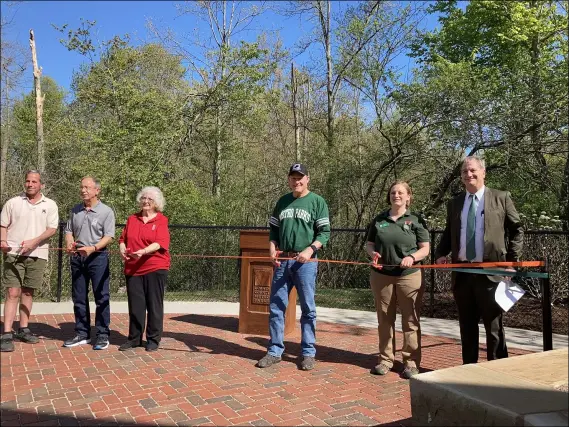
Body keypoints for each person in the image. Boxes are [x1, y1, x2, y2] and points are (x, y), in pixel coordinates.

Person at [435, 156, 523, 364]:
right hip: (463, 275)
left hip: (491, 274)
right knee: (467, 327)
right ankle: (469, 370)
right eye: (465, 172)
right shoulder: (454, 203)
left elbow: (517, 229)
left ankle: (497, 372)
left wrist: (512, 261)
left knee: (493, 328)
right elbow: (449, 233)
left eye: (473, 170)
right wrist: (440, 253)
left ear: (483, 172)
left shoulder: (501, 198)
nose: (469, 175)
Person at [257, 163, 330, 371]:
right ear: (289, 179)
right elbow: (273, 230)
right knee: (276, 307)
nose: (296, 181)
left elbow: (324, 233)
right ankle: (274, 350)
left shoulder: (317, 202)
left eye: (300, 177)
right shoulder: (282, 202)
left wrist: (310, 250)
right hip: (283, 261)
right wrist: (272, 247)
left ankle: (307, 352)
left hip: (305, 262)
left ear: (307, 178)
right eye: (293, 177)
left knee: (308, 308)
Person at [365, 181, 430, 379]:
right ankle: (385, 360)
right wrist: (372, 254)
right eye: (393, 192)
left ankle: (411, 362)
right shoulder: (379, 220)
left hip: (409, 277)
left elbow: (425, 248)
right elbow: (369, 244)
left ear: (409, 197)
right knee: (384, 319)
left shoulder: (416, 220)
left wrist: (412, 258)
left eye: (401, 192)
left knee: (410, 320)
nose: (396, 195)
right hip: (381, 276)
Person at [0, 170, 59, 352]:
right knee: (12, 292)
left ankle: (23, 328)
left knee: (27, 292)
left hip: (37, 253)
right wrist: (3, 241)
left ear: (41, 184)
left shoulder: (50, 205)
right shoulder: (13, 202)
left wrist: (34, 242)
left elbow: (52, 229)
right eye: (28, 181)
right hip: (13, 253)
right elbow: (3, 225)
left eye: (34, 181)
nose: (30, 184)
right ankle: (7, 333)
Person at [63, 176, 116, 350]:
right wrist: (69, 243)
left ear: (97, 190)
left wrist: (93, 248)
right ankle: (82, 333)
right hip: (78, 258)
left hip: (97, 258)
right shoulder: (76, 209)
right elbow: (69, 230)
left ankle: (102, 335)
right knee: (78, 297)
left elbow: (109, 236)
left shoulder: (106, 211)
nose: (83, 190)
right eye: (82, 187)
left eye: (87, 187)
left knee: (101, 297)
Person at [118, 187, 170, 352]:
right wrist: (122, 249)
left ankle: (153, 339)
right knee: (136, 305)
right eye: (144, 198)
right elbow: (122, 239)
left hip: (155, 266)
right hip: (133, 267)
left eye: (150, 199)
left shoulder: (161, 220)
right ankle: (134, 338)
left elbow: (160, 242)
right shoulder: (132, 219)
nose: (146, 201)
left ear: (156, 203)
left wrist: (143, 251)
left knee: (154, 305)